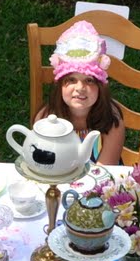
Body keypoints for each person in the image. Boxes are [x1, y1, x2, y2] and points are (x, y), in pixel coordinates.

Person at [32, 21, 124, 162]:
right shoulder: (45, 117)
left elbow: (106, 168)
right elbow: (43, 163)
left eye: (89, 80)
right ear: (60, 85)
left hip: (101, 179)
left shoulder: (111, 120)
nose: (80, 88)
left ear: (100, 86)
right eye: (71, 80)